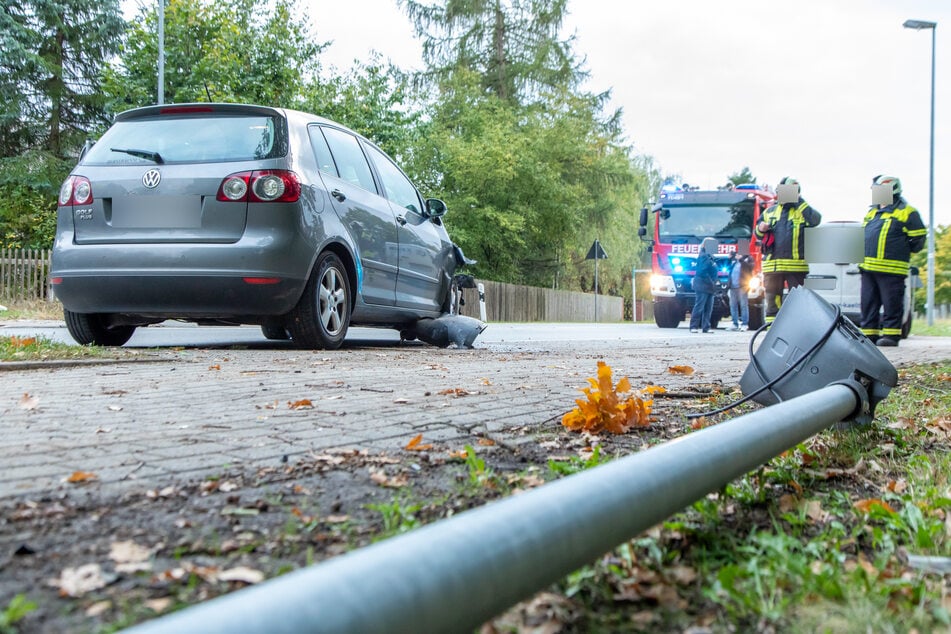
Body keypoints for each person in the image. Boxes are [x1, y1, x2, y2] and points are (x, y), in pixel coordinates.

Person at [859, 175, 926, 347]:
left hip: (892, 269)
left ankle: (891, 336)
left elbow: (918, 240)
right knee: (868, 303)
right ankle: (869, 335)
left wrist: (898, 250)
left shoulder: (907, 212)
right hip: (868, 268)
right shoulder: (872, 211)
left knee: (892, 303)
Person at [754, 176, 822, 323]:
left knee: (798, 302)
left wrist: (800, 201)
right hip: (773, 266)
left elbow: (816, 220)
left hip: (796, 267)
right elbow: (757, 234)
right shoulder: (769, 212)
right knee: (772, 304)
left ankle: (796, 329)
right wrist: (761, 228)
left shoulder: (802, 211)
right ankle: (772, 330)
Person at [689, 238, 719, 333]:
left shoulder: (710, 257)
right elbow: (702, 271)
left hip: (709, 286)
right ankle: (693, 326)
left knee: (708, 308)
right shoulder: (703, 256)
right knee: (699, 306)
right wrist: (711, 282)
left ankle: (706, 327)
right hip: (703, 285)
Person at [726, 251, 753, 331]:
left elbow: (749, 269)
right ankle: (735, 323)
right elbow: (728, 269)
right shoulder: (734, 262)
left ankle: (745, 324)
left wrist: (741, 259)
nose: (737, 255)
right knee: (733, 305)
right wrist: (730, 258)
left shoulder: (748, 259)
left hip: (742, 286)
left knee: (743, 305)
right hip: (733, 287)